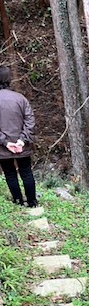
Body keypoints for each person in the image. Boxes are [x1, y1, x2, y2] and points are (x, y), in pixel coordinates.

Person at [0, 66, 38, 207]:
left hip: (3, 148)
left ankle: (18, 202)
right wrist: (22, 140)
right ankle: (32, 202)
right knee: (26, 172)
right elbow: (30, 121)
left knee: (10, 173)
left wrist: (5, 142)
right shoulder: (20, 98)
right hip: (22, 146)